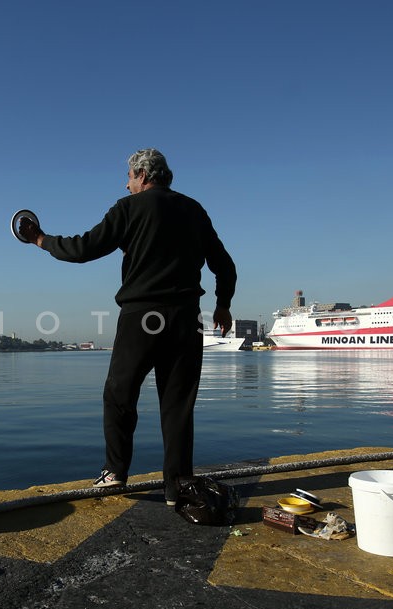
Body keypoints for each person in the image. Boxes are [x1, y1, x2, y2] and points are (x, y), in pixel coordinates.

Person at [19, 148, 237, 505]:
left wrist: (41, 240)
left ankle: (115, 472)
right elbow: (224, 265)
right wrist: (223, 304)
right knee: (178, 405)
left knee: (119, 395)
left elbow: (83, 248)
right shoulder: (194, 209)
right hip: (187, 319)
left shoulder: (128, 207)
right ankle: (178, 487)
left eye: (130, 177)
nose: (126, 184)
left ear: (143, 175)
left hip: (143, 317)